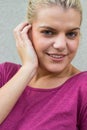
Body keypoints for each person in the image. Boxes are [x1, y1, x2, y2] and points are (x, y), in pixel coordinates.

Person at [0, 0, 87, 129]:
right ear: (27, 32)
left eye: (71, 34)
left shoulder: (83, 87)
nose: (61, 45)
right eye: (48, 32)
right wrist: (28, 69)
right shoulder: (6, 74)